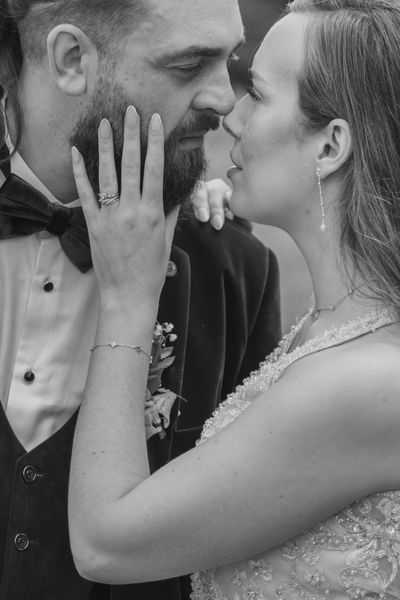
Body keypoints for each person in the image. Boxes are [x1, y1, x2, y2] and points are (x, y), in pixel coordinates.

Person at [69, 0, 400, 598]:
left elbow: (103, 543)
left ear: (330, 148)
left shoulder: (364, 382)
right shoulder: (338, 326)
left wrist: (127, 295)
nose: (230, 114)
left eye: (259, 93)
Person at [0, 0, 281, 598]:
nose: (224, 100)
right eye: (188, 65)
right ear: (72, 59)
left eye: (228, 60)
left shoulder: (234, 268)